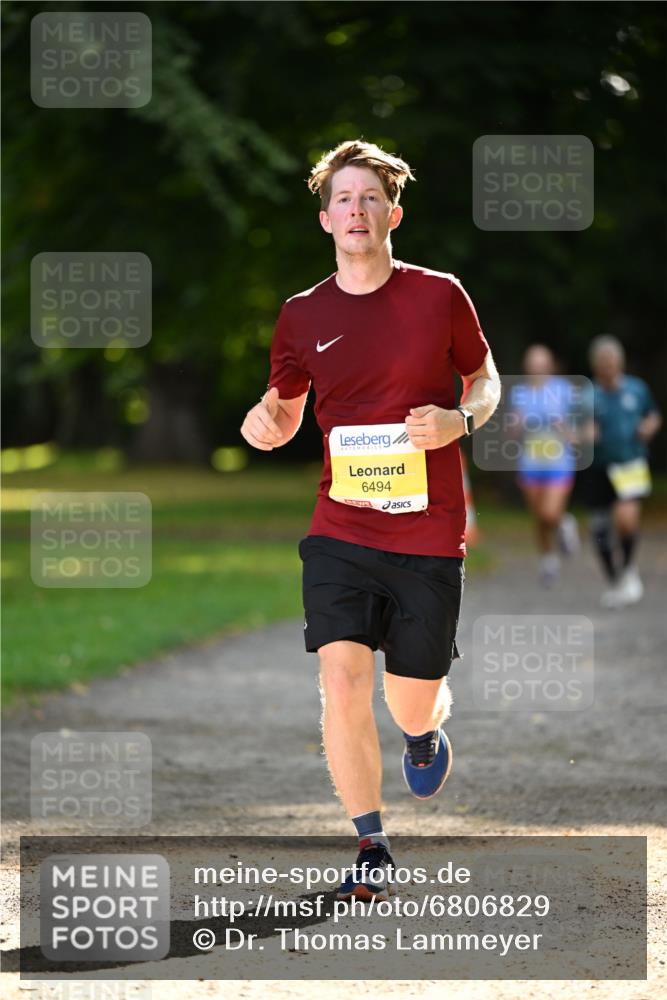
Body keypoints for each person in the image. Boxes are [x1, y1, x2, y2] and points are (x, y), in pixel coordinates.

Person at [241, 140, 500, 901]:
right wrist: (265, 424)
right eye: (343, 200)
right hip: (340, 527)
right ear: (326, 220)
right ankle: (370, 841)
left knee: (407, 695)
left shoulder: (438, 295)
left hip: (427, 528)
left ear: (393, 212)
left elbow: (482, 378)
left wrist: (459, 420)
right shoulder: (300, 315)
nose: (357, 210)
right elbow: (284, 411)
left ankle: (421, 733)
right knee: (342, 679)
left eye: (369, 198)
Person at [583, 335, 661, 608]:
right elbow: (576, 428)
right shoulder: (587, 395)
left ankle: (628, 569)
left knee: (627, 519)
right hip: (599, 468)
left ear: (620, 362)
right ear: (595, 364)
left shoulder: (636, 389)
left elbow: (652, 414)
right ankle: (615, 579)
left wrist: (649, 426)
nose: (608, 366)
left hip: (631, 462)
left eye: (612, 361)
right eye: (602, 362)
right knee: (600, 528)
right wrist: (585, 434)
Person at [509, 345, 580, 587]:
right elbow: (510, 432)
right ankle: (548, 561)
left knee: (550, 513)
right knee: (539, 517)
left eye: (541, 364)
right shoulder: (519, 392)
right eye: (532, 364)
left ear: (550, 365)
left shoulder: (564, 390)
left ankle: (564, 523)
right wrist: (515, 424)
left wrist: (565, 428)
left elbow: (579, 428)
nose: (536, 368)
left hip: (559, 462)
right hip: (530, 462)